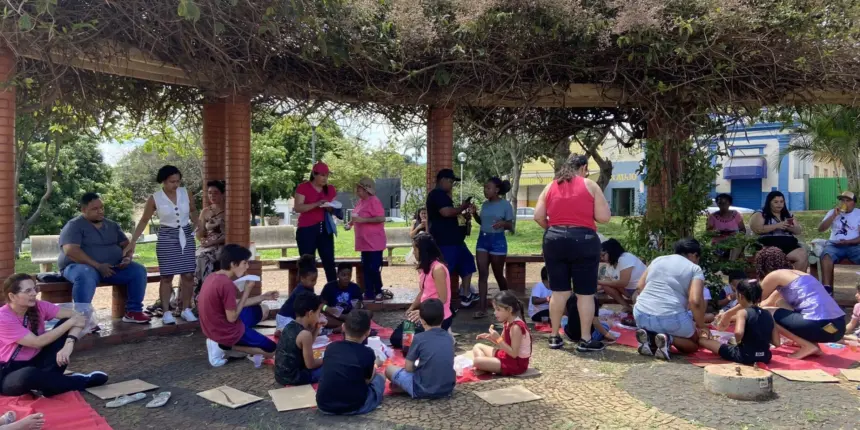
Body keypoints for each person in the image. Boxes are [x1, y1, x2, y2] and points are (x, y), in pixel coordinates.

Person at [534, 154, 611, 352]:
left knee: (559, 291)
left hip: (554, 239)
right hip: (584, 240)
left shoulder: (550, 186)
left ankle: (553, 336)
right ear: (584, 167)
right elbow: (604, 218)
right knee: (585, 293)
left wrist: (553, 229)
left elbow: (538, 216)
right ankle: (585, 339)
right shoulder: (590, 185)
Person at [717, 247, 846, 359]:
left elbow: (752, 300)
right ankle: (811, 343)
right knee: (780, 305)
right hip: (838, 327)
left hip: (819, 324)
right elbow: (769, 302)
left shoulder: (775, 275)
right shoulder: (798, 275)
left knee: (766, 313)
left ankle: (807, 345)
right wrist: (735, 317)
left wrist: (727, 315)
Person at [0, 274, 108, 397]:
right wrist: (71, 322)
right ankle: (80, 381)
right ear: (12, 296)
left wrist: (69, 344)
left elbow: (79, 317)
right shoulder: (3, 318)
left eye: (35, 289)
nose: (34, 293)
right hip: (8, 373)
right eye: (28, 291)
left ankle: (47, 384)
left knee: (65, 323)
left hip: (39, 361)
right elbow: (37, 342)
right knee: (29, 375)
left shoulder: (39, 306)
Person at [58, 192, 151, 324]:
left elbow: (126, 245)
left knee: (138, 270)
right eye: (95, 209)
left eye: (102, 208)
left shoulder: (112, 225)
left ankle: (133, 312)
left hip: (111, 268)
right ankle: (82, 320)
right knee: (85, 274)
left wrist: (127, 258)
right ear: (83, 210)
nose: (100, 211)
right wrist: (98, 266)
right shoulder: (74, 226)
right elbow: (71, 251)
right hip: (78, 267)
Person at [127, 165, 199, 325]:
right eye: (172, 181)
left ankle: (186, 309)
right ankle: (167, 312)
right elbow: (144, 220)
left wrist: (197, 225)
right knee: (167, 276)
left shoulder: (186, 193)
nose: (176, 185)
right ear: (163, 181)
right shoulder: (155, 198)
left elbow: (193, 210)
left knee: (188, 274)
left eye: (178, 181)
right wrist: (133, 241)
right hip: (167, 236)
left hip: (186, 234)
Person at [197, 244, 279, 367]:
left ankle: (222, 342)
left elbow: (234, 304)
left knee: (262, 309)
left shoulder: (213, 276)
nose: (247, 267)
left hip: (212, 326)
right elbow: (232, 318)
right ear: (233, 264)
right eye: (244, 263)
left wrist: (263, 297)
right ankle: (223, 344)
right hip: (225, 330)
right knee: (273, 349)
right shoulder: (226, 284)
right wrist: (247, 291)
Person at [633, 238, 707, 360]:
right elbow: (695, 302)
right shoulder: (694, 269)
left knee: (659, 327)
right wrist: (702, 326)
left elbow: (640, 287)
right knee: (694, 344)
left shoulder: (658, 260)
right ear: (694, 255)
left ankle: (651, 338)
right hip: (671, 317)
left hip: (641, 314)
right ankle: (668, 339)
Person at [426, 169, 476, 316]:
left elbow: (451, 214)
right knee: (445, 273)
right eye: (451, 182)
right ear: (443, 180)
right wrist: (462, 207)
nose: (452, 185)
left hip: (456, 241)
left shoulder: (444, 196)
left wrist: (463, 215)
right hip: (445, 242)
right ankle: (442, 305)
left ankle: (466, 294)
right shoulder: (437, 194)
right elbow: (446, 212)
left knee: (468, 263)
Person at [316, 310, 385, 415]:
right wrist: (375, 365)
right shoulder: (367, 352)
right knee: (380, 378)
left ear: (343, 327)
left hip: (324, 405)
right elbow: (366, 381)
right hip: (353, 407)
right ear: (368, 332)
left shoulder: (331, 347)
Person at [391, 233, 453, 348]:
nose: (413, 252)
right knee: (396, 338)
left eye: (415, 249)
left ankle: (441, 336)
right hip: (424, 314)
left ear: (423, 250)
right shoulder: (424, 268)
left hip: (437, 317)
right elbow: (423, 291)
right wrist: (412, 308)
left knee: (408, 344)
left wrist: (422, 313)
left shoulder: (438, 268)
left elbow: (443, 299)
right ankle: (433, 339)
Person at [385, 298, 455, 399]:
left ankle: (408, 388)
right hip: (447, 388)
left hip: (423, 389)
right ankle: (405, 387)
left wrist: (417, 369)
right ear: (443, 317)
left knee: (389, 369)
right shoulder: (449, 338)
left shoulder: (418, 338)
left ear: (421, 320)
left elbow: (408, 368)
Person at [699, 280, 778, 365]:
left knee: (703, 340)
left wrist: (738, 342)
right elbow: (776, 342)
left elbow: (738, 333)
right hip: (765, 357)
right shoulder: (768, 314)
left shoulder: (742, 312)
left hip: (745, 355)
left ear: (740, 296)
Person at [470, 177, 514, 319]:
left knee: (498, 274)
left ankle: (508, 303)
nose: (485, 190)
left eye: (488, 188)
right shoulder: (485, 205)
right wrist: (474, 214)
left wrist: (503, 223)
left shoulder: (505, 205)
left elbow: (511, 226)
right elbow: (482, 222)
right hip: (482, 240)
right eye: (484, 188)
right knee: (482, 275)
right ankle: (482, 308)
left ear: (497, 190)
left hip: (498, 241)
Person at [294, 162, 338, 282]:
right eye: (322, 175)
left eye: (327, 175)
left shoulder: (330, 189)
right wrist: (316, 204)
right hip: (307, 229)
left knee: (329, 261)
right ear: (314, 174)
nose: (325, 178)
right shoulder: (303, 187)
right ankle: (306, 293)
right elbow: (298, 207)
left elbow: (334, 207)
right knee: (307, 262)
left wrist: (330, 208)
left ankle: (333, 292)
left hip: (325, 228)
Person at [345, 178, 387, 303]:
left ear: (366, 190)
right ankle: (369, 292)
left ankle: (378, 291)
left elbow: (381, 218)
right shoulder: (360, 202)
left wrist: (363, 221)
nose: (357, 191)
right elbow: (356, 216)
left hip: (374, 242)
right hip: (363, 242)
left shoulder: (374, 201)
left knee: (374, 267)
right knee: (366, 267)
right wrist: (350, 224)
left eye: (359, 189)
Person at [472, 291, 532, 376]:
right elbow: (503, 344)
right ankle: (486, 367)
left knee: (476, 361)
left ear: (509, 310)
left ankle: (485, 367)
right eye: (494, 309)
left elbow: (514, 354)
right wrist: (490, 337)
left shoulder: (516, 327)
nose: (495, 312)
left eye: (498, 309)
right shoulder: (507, 322)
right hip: (506, 356)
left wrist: (498, 338)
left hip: (516, 365)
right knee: (477, 346)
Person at [750, 191, 807, 271]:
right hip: (767, 244)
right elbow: (757, 229)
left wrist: (789, 227)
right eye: (776, 202)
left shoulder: (788, 215)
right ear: (769, 203)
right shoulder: (760, 214)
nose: (779, 204)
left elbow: (798, 231)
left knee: (802, 255)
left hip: (789, 245)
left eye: (781, 201)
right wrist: (777, 226)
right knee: (774, 255)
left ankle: (794, 281)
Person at [274, 291, 324, 385]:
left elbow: (307, 344)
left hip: (280, 376)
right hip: (295, 378)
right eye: (318, 313)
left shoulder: (289, 326)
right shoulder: (305, 334)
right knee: (331, 367)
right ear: (310, 313)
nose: (319, 317)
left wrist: (317, 327)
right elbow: (310, 365)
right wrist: (327, 358)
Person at [817, 191, 860, 294]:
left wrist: (848, 242)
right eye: (842, 200)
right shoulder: (833, 212)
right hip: (834, 245)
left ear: (854, 203)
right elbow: (820, 229)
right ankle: (827, 288)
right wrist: (833, 216)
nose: (844, 203)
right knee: (826, 255)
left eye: (848, 200)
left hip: (854, 245)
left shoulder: (858, 213)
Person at [195, 180, 226, 302]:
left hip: (221, 245)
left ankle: (207, 296)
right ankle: (191, 299)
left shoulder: (228, 211)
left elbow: (229, 234)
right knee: (190, 259)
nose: (212, 196)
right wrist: (201, 238)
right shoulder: (205, 211)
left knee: (204, 258)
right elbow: (200, 231)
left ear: (223, 194)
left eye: (216, 193)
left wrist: (213, 242)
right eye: (209, 193)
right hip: (207, 245)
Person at [598, 239, 646, 312]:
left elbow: (623, 282)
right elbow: (606, 282)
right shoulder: (610, 265)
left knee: (636, 297)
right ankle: (626, 306)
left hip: (641, 288)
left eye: (603, 255)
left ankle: (639, 317)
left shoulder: (625, 258)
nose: (601, 258)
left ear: (611, 251)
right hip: (628, 290)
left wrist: (599, 282)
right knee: (606, 284)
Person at [276, 255, 321, 332]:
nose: (314, 283)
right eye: (312, 280)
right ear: (302, 278)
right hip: (285, 318)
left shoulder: (309, 288)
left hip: (294, 318)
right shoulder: (300, 291)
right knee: (301, 333)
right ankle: (282, 331)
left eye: (315, 280)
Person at [706, 193, 747, 259]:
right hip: (718, 245)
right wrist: (717, 232)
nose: (722, 205)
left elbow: (743, 230)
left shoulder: (736, 215)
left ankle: (732, 267)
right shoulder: (712, 216)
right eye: (720, 203)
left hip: (734, 244)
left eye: (725, 203)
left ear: (730, 203)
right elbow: (708, 232)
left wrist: (737, 235)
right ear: (717, 203)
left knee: (734, 256)